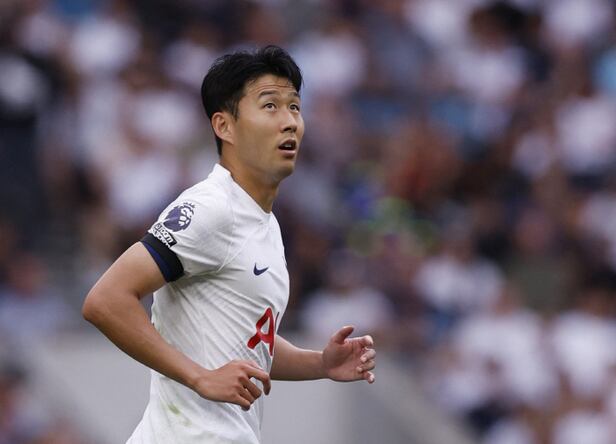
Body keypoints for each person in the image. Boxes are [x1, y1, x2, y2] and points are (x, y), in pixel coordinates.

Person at [82, 45, 376, 444]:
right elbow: (105, 300)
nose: (289, 121)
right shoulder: (211, 208)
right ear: (225, 126)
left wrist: (320, 364)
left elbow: (248, 342)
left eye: (294, 107)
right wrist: (199, 377)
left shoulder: (264, 224)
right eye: (270, 106)